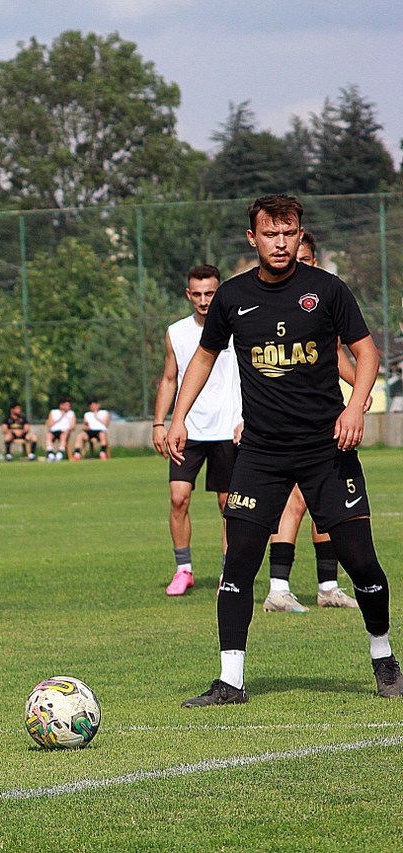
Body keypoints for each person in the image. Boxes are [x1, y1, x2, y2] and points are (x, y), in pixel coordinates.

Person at [166, 193, 398, 704]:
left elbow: (366, 353)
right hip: (261, 455)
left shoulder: (328, 290)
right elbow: (204, 359)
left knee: (361, 562)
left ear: (299, 236)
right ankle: (230, 682)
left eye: (288, 233)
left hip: (326, 450)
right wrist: (178, 416)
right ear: (253, 239)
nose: (279, 242)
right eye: (269, 234)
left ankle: (385, 661)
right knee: (238, 564)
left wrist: (355, 408)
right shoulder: (231, 297)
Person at [263, 231, 360, 613]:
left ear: (314, 262)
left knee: (322, 500)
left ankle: (327, 585)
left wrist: (359, 391)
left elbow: (337, 352)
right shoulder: (272, 304)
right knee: (295, 500)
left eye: (302, 261)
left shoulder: (323, 299)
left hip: (325, 418)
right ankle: (278, 587)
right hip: (283, 424)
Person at [152, 264, 242, 597]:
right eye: (198, 294)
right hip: (187, 429)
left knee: (226, 505)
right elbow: (170, 378)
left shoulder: (237, 329)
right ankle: (183, 570)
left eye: (210, 293)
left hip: (228, 427)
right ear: (188, 294)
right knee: (178, 498)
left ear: (220, 292)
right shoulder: (176, 332)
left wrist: (247, 417)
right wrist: (159, 422)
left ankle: (227, 573)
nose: (204, 301)